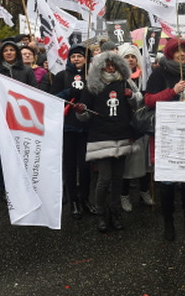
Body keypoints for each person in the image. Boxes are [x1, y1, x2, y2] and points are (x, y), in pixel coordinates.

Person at [77, 50, 142, 233]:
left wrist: (131, 97)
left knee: (117, 178)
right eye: (107, 65)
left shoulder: (125, 82)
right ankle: (101, 214)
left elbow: (139, 104)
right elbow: (83, 116)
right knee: (104, 178)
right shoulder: (92, 86)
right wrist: (81, 110)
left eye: (114, 64)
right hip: (101, 136)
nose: (111, 68)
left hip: (121, 134)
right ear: (100, 66)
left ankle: (115, 212)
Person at [145, 38, 185, 241]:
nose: (182, 54)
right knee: (167, 183)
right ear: (170, 53)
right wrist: (172, 92)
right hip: (165, 134)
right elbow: (149, 100)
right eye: (178, 51)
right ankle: (168, 222)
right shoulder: (160, 72)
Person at [0, 40, 37, 195]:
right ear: (1, 53)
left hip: (21, 119)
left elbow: (34, 93)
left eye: (12, 50)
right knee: (2, 157)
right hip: (0, 120)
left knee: (22, 156)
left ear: (16, 53)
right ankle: (4, 188)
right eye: (5, 50)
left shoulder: (26, 71)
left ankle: (22, 187)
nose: (9, 52)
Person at [52, 44, 95, 219]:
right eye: (73, 56)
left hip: (86, 128)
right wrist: (69, 92)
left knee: (85, 167)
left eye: (79, 56)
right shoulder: (62, 75)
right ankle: (74, 201)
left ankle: (84, 198)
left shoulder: (92, 76)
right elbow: (53, 97)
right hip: (67, 127)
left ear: (86, 59)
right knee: (69, 166)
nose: (76, 59)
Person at [119, 43, 154, 211]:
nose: (131, 59)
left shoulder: (145, 76)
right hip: (127, 125)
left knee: (146, 161)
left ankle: (144, 190)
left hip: (144, 123)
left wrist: (136, 95)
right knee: (128, 163)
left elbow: (149, 95)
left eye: (133, 56)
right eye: (127, 56)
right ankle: (124, 195)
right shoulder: (119, 77)